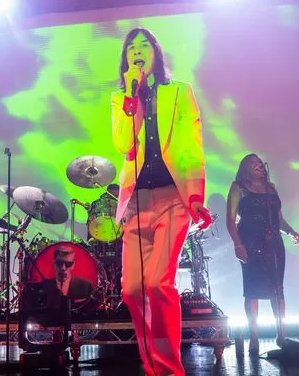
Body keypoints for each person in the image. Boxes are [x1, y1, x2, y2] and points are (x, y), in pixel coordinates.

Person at [111, 27, 212, 376]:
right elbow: (124, 144)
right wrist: (131, 96)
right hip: (137, 203)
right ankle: (153, 367)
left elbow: (190, 146)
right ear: (126, 59)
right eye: (131, 47)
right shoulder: (121, 99)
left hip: (172, 198)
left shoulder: (179, 91)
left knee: (157, 284)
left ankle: (169, 369)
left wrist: (195, 195)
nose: (137, 51)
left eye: (144, 45)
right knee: (132, 290)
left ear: (155, 53)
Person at [226, 154, 299, 355]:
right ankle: (254, 337)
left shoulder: (271, 188)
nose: (258, 164)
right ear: (245, 168)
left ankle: (281, 335)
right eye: (253, 163)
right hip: (251, 242)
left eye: (259, 162)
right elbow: (230, 220)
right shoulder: (238, 188)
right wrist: (238, 244)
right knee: (253, 289)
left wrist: (290, 231)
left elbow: (279, 219)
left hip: (273, 244)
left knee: (277, 288)